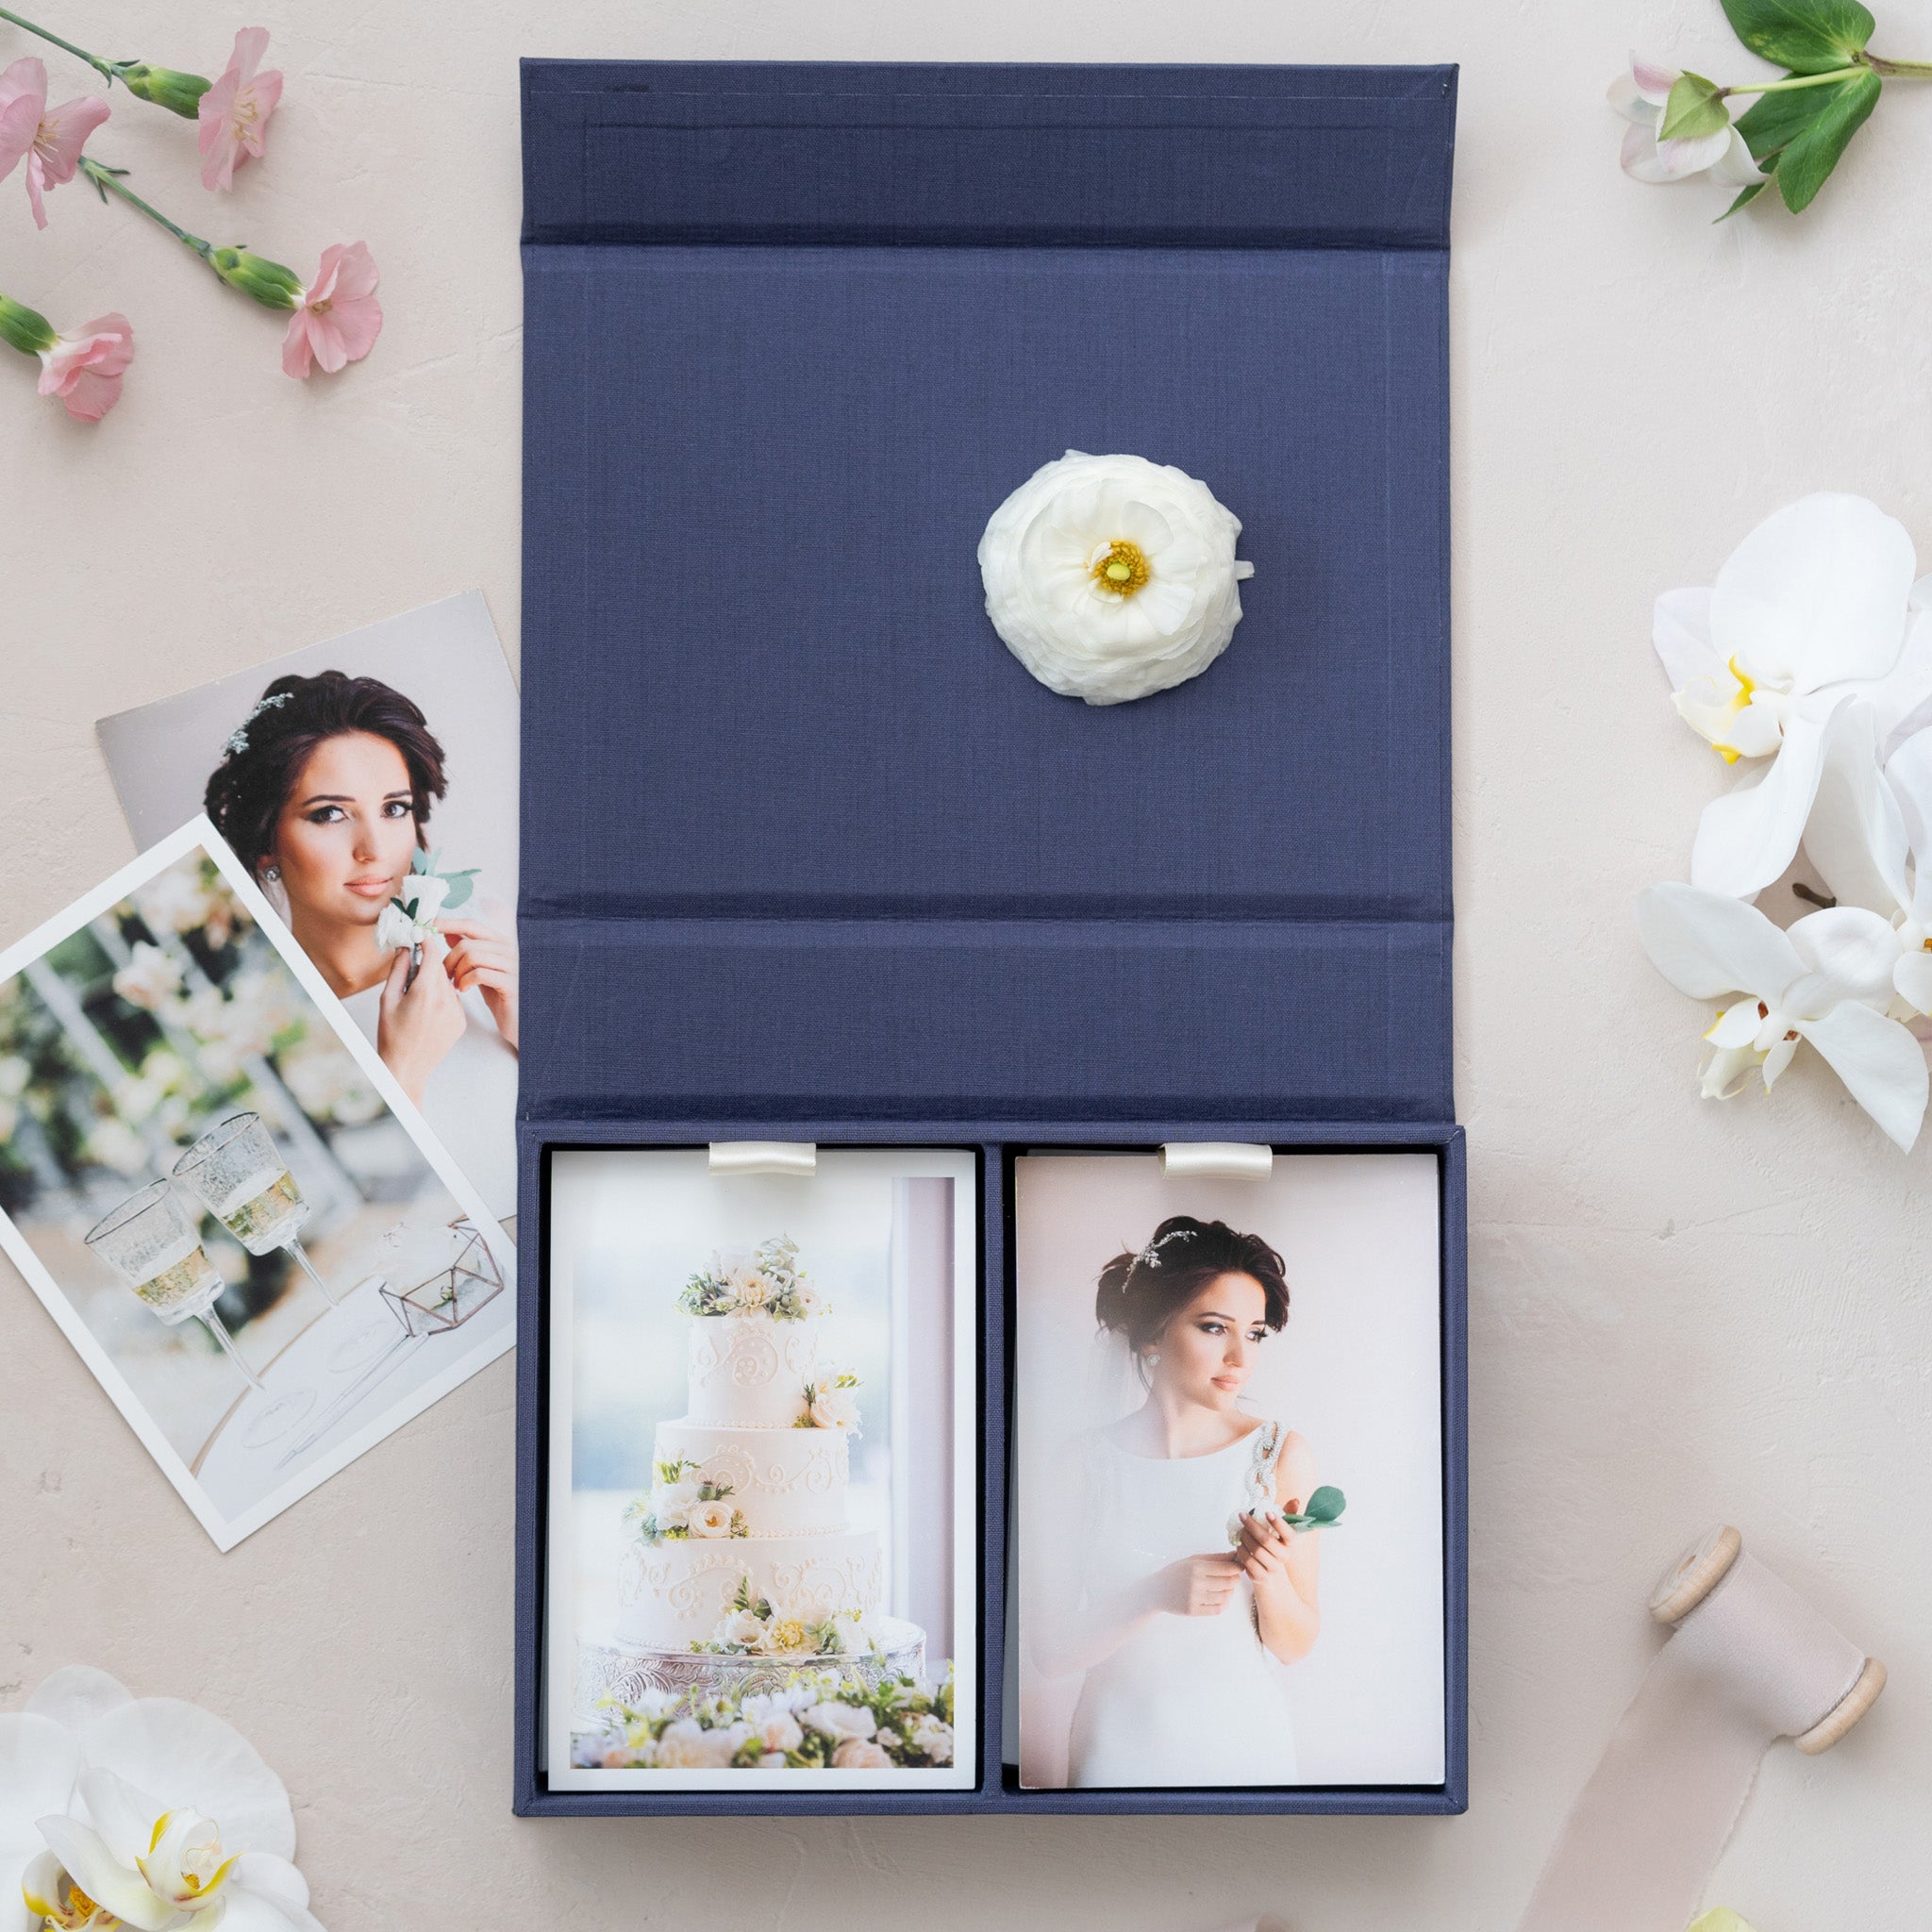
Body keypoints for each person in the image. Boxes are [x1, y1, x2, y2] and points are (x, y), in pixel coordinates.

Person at [204, 671, 518, 1214]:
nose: (374, 847)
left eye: (394, 808)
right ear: (266, 847)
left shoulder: (490, 934)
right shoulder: (262, 1040)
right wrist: (402, 1076)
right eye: (329, 814)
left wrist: (544, 1041)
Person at [1032, 1215, 1320, 1787]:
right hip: (1115, 1748)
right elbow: (1050, 1651)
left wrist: (1268, 1576)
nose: (1241, 1356)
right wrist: (1152, 1593)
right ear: (1151, 1335)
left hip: (1247, 1748)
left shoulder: (1279, 1455)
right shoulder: (1080, 1465)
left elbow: (1296, 1646)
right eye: (1216, 1328)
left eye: (1256, 1332)